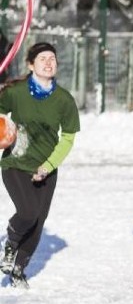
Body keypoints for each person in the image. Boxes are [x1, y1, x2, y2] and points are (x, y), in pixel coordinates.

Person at [0, 42, 80, 289]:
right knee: (28, 212)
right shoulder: (16, 92)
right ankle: (11, 242)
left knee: (38, 221)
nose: (48, 62)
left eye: (52, 59)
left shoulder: (64, 100)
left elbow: (67, 138)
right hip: (16, 162)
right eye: (43, 58)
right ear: (30, 64)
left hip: (45, 167)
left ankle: (19, 269)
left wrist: (48, 165)